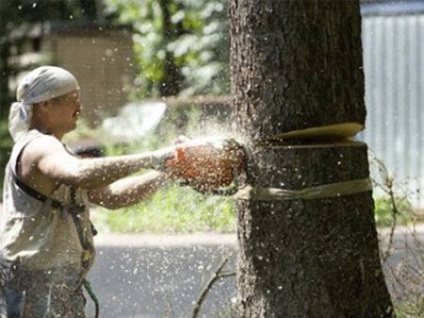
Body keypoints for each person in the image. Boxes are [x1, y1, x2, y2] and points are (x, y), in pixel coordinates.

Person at [0, 66, 178, 318]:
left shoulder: (56, 149)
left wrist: (167, 171)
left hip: (58, 282)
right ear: (46, 105)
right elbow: (80, 172)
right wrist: (152, 158)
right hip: (36, 284)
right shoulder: (38, 146)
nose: (80, 107)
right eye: (73, 99)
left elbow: (113, 196)